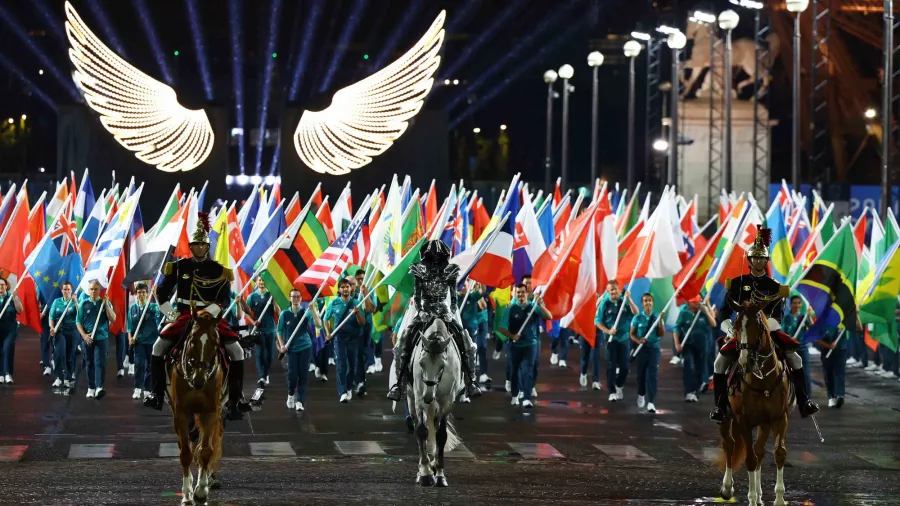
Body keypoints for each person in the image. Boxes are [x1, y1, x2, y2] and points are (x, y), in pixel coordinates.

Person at [143, 214, 252, 420]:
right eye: (195, 244)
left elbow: (224, 298)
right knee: (158, 347)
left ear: (207, 246)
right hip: (184, 315)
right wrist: (171, 314)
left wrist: (210, 312)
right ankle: (156, 394)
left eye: (203, 244)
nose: (199, 248)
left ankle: (236, 399)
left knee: (236, 351)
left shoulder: (219, 270)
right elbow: (162, 292)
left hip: (211, 317)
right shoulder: (178, 266)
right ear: (190, 246)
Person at [709, 227, 819, 424]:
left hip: (769, 330)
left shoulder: (775, 286)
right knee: (719, 363)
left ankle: (804, 402)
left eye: (762, 258)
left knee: (796, 360)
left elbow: (779, 315)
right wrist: (730, 329)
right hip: (741, 331)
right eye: (755, 258)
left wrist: (764, 327)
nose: (758, 261)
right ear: (750, 260)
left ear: (766, 261)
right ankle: (720, 407)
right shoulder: (736, 284)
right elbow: (724, 312)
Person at [386, 239, 481, 401]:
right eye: (433, 256)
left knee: (466, 340)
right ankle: (399, 383)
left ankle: (470, 381)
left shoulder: (450, 271)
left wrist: (451, 311)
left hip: (444, 312)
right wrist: (421, 310)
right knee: (404, 339)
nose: (436, 259)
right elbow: (417, 296)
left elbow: (453, 298)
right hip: (425, 311)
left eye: (439, 256)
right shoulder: (419, 270)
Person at [498, 283, 552, 408]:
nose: (521, 295)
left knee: (527, 370)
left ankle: (527, 398)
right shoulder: (510, 308)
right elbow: (501, 328)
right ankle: (515, 395)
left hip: (530, 344)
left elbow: (549, 316)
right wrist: (512, 336)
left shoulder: (533, 307)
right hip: (515, 346)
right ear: (514, 294)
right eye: (518, 292)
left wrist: (540, 305)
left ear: (527, 293)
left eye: (523, 292)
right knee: (515, 371)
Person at [277, 288, 322, 411]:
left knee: (303, 375)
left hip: (305, 347)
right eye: (293, 296)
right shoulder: (284, 314)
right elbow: (279, 331)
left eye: (298, 297)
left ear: (301, 299)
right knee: (292, 375)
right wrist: (282, 345)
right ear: (289, 298)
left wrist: (313, 311)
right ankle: (291, 394)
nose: (296, 299)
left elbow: (318, 324)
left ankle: (300, 401)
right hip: (291, 348)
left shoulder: (306, 312)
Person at [324, 278, 366, 403]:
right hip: (339, 338)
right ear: (339, 289)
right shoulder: (334, 303)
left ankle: (348, 387)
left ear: (351, 288)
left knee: (352, 366)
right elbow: (326, 319)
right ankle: (342, 392)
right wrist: (328, 333)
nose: (345, 289)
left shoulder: (357, 303)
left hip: (353, 338)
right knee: (342, 364)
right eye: (342, 287)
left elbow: (362, 323)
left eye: (347, 287)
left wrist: (358, 313)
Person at [596, 280, 638, 401]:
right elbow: (598, 321)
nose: (614, 292)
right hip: (610, 340)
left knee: (625, 367)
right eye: (611, 290)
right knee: (611, 366)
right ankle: (612, 392)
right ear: (608, 291)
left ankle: (619, 384)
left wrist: (629, 299)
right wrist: (608, 331)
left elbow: (636, 313)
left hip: (624, 339)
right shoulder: (605, 303)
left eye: (615, 289)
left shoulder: (624, 301)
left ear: (619, 289)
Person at [76, 280, 116, 399]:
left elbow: (113, 319)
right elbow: (78, 322)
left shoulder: (104, 303)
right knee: (89, 363)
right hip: (87, 339)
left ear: (100, 290)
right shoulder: (83, 304)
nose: (93, 291)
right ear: (88, 291)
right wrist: (84, 335)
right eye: (91, 289)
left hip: (101, 338)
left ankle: (99, 387)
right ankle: (91, 387)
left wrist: (107, 304)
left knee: (100, 363)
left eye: (96, 289)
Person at [673, 296, 716, 402]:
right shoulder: (684, 312)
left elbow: (713, 323)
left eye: (699, 301)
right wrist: (677, 343)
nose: (697, 303)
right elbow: (676, 328)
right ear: (688, 302)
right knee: (688, 366)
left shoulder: (702, 312)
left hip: (702, 345)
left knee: (699, 368)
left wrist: (706, 311)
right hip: (688, 344)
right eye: (695, 302)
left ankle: (695, 391)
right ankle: (688, 392)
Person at [630, 293, 665, 413]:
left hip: (654, 349)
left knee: (652, 375)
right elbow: (632, 334)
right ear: (642, 303)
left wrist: (660, 321)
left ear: (653, 303)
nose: (648, 303)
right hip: (642, 350)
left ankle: (651, 402)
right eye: (645, 301)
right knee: (641, 375)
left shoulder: (657, 317)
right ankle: (641, 393)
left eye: (649, 301)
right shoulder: (637, 318)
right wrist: (638, 341)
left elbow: (661, 334)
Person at [127, 283, 163, 400]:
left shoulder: (152, 307)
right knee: (139, 364)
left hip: (152, 342)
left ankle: (147, 389)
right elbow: (129, 327)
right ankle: (137, 388)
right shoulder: (132, 308)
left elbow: (162, 311)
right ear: (136, 294)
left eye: (143, 292)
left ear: (147, 294)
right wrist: (130, 338)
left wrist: (156, 296)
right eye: (139, 292)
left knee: (150, 366)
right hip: (139, 342)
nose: (141, 294)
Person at [247, 278, 278, 388]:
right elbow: (247, 312)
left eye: (263, 280)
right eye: (259, 280)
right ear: (256, 282)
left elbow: (277, 312)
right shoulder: (251, 297)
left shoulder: (270, 295)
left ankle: (266, 373)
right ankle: (262, 376)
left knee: (269, 355)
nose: (261, 282)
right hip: (258, 331)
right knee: (260, 353)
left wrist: (274, 300)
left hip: (270, 329)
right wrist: (253, 322)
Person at [49, 282, 79, 389]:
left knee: (70, 355)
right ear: (61, 290)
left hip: (72, 331)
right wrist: (52, 328)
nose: (66, 291)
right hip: (59, 331)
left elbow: (80, 315)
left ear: (72, 290)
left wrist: (75, 302)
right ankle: (58, 377)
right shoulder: (56, 302)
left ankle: (68, 376)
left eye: (68, 289)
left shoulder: (75, 301)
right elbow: (51, 317)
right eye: (64, 289)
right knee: (59, 353)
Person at [781, 295, 812, 395]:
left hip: (803, 348)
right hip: (790, 350)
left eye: (799, 303)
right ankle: (791, 395)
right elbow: (782, 333)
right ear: (790, 304)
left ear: (801, 304)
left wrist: (809, 316)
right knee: (789, 374)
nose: (796, 305)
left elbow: (812, 329)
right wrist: (789, 339)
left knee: (806, 375)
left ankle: (808, 398)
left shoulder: (803, 317)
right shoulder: (786, 318)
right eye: (794, 303)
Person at [460, 282, 490, 384]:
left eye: (465, 285)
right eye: (462, 285)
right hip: (458, 332)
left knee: (480, 348)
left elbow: (483, 305)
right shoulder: (454, 297)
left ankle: (479, 376)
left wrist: (481, 281)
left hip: (474, 329)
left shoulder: (472, 296)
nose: (464, 287)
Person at [0, 277, 23, 384]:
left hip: (10, 328)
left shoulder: (11, 297)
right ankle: (1, 374)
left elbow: (20, 310)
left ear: (6, 286)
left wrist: (15, 298)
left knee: (7, 348)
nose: (0, 287)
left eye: (2, 285)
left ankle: (7, 373)